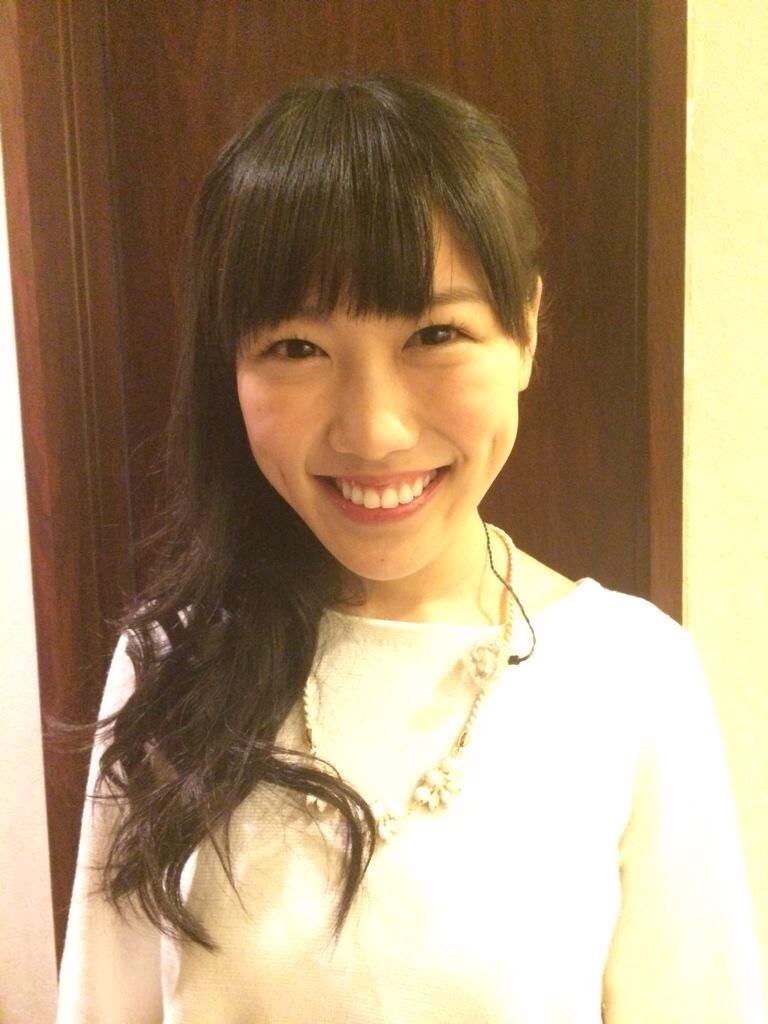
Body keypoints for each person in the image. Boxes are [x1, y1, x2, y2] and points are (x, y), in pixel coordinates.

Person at [56, 74, 765, 1023]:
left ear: (526, 331)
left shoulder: (632, 670)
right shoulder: (172, 660)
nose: (374, 430)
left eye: (435, 333)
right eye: (297, 347)